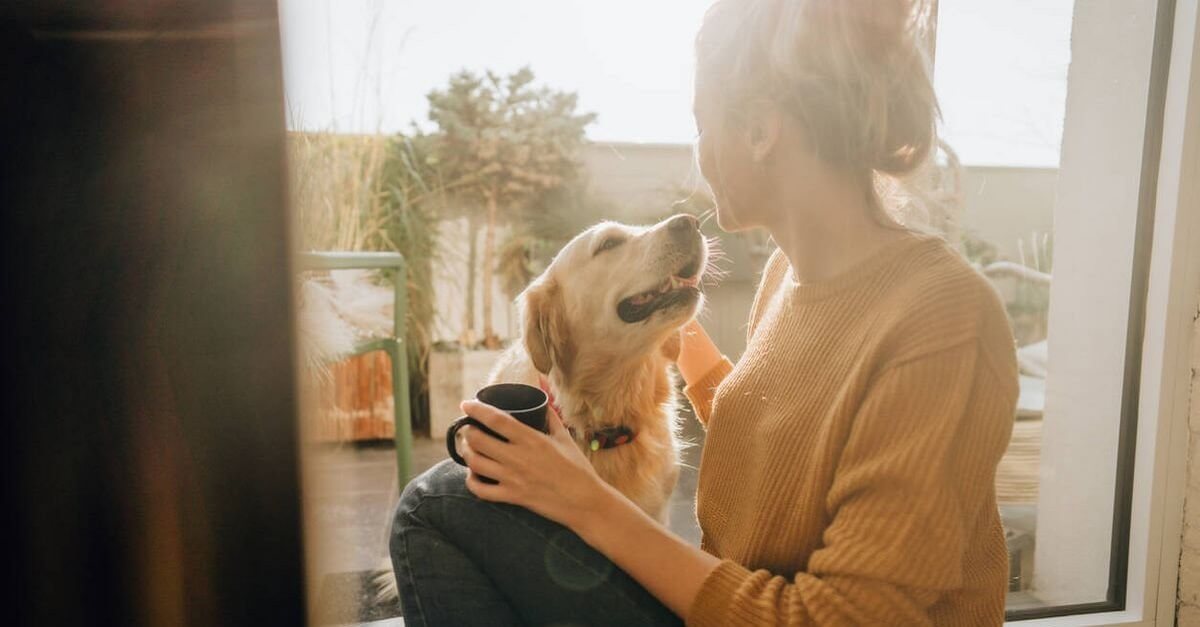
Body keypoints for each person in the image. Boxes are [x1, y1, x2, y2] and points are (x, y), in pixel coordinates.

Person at [389, 0, 1018, 624]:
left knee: (431, 506)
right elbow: (791, 445)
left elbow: (840, 616)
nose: (699, 151)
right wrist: (679, 348)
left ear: (759, 130)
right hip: (732, 602)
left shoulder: (943, 318)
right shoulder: (787, 277)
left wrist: (582, 499)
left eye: (701, 122)